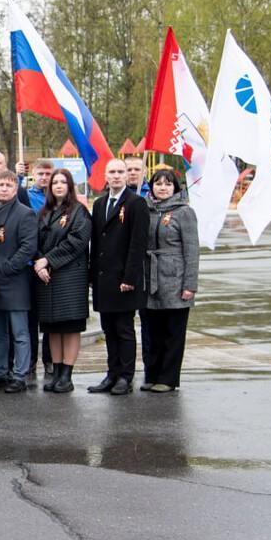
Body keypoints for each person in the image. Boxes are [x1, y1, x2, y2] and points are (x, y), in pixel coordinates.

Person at [88, 158, 150, 396]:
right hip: (103, 279)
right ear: (105, 175)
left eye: (120, 172)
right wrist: (92, 275)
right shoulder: (100, 203)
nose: (116, 176)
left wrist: (130, 278)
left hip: (124, 279)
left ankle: (125, 376)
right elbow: (97, 242)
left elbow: (138, 244)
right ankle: (112, 374)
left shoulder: (136, 203)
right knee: (108, 329)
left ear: (126, 176)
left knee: (124, 329)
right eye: (112, 172)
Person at [33, 168, 92, 393]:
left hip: (70, 277)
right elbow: (34, 240)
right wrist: (39, 263)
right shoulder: (44, 212)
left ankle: (67, 375)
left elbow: (76, 241)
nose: (58, 186)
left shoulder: (79, 211)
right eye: (54, 182)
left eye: (63, 182)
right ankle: (56, 373)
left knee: (70, 327)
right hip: (46, 278)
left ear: (70, 186)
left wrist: (48, 260)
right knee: (53, 328)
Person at [142, 169, 199, 392]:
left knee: (173, 332)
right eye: (158, 184)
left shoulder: (184, 212)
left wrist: (190, 285)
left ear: (175, 187)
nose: (163, 188)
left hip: (175, 278)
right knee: (151, 331)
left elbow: (192, 250)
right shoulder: (145, 209)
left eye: (167, 184)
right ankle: (152, 374)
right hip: (149, 278)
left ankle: (168, 378)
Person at [0, 171, 38, 392]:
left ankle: (20, 375)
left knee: (20, 333)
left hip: (14, 281)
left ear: (16, 189)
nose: (4, 188)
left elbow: (28, 246)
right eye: (0, 184)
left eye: (9, 185)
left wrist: (9, 267)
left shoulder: (25, 213)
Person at [25, 158, 55, 379]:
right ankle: (31, 360)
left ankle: (50, 359)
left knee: (50, 317)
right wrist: (36, 259)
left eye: (48, 174)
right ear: (33, 174)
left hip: (52, 263)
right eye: (40, 174)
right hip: (31, 264)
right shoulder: (26, 196)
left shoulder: (59, 198)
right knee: (30, 317)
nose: (44, 178)